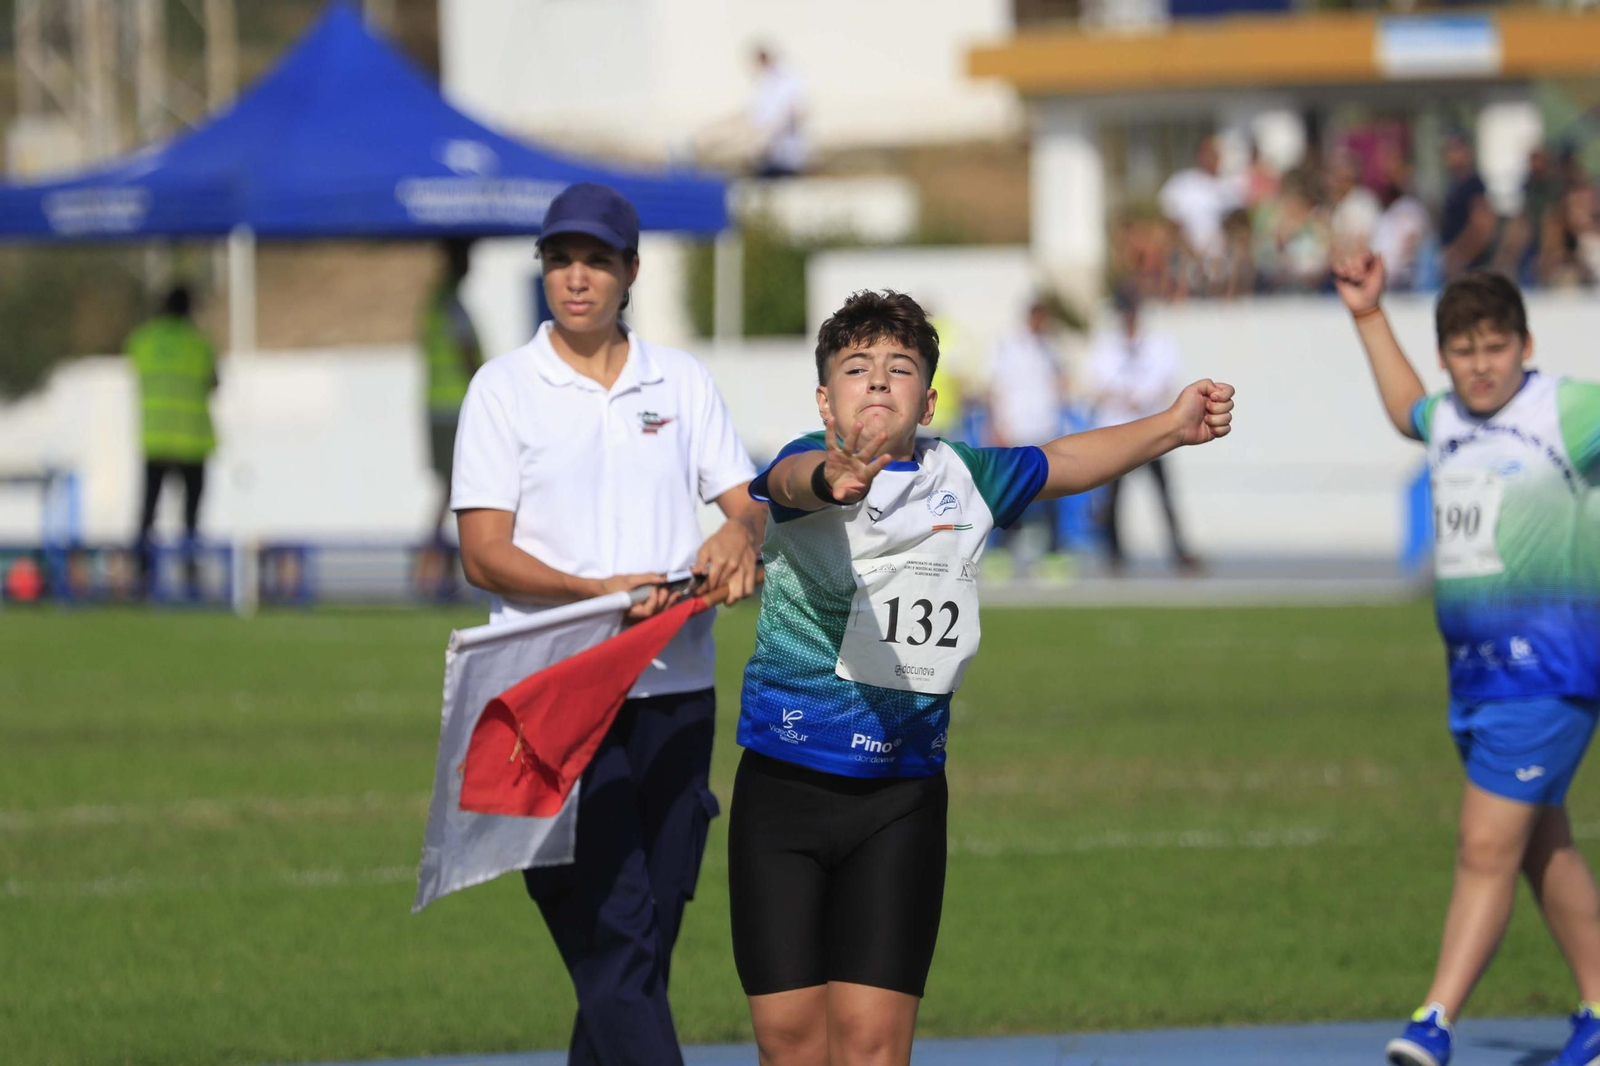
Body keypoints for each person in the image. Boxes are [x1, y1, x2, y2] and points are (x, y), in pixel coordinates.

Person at [728, 289, 1234, 1066]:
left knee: (871, 1048)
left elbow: (1063, 462)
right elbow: (788, 482)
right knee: (792, 1046)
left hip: (900, 799)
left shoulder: (962, 474)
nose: (877, 383)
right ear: (825, 399)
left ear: (929, 401)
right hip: (784, 792)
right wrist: (830, 476)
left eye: (899, 370)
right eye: (856, 369)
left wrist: (1170, 426)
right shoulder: (807, 465)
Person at [451, 182, 765, 1066]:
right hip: (550, 696)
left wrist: (738, 536)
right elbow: (483, 552)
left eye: (596, 261)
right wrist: (600, 592)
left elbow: (749, 507)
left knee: (640, 948)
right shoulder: (502, 389)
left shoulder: (683, 381)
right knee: (620, 944)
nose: (576, 278)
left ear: (631, 271)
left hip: (676, 692)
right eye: (560, 259)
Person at [1332, 254, 1600, 1066]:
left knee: (1485, 845)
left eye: (1495, 347)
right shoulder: (1445, 416)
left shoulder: (1569, 410)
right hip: (1477, 679)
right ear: (1446, 354)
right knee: (1539, 848)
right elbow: (1406, 410)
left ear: (1525, 344)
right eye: (1464, 350)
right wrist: (1370, 316)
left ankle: (1433, 1019)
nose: (1480, 366)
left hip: (1549, 673)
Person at [1083, 284, 1199, 574]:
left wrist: (1141, 398)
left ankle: (1178, 551)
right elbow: (1097, 384)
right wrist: (1125, 397)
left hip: (1150, 428)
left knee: (1163, 495)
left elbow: (1167, 380)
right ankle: (1115, 555)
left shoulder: (1158, 343)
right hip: (1115, 430)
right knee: (1113, 498)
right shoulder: (1105, 344)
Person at [127, 284, 217, 601]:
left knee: (148, 512)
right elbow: (214, 381)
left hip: (156, 439)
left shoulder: (143, 339)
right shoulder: (199, 343)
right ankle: (190, 575)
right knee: (190, 516)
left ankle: (141, 576)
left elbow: (133, 365)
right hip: (193, 439)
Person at [985, 297, 1069, 576]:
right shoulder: (1008, 346)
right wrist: (996, 425)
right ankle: (1000, 554)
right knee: (1009, 493)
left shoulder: (1049, 349)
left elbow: (1058, 384)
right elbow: (994, 386)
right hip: (1015, 430)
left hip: (1043, 431)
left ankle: (1053, 555)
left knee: (1051, 496)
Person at [417, 238, 483, 598]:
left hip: (442, 406)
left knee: (451, 488)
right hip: (456, 407)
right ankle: (433, 565)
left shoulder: (437, 302)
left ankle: (435, 565)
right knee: (458, 488)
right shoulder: (451, 305)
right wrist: (494, 391)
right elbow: (467, 355)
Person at [1159, 135, 1241, 286]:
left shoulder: (1230, 187)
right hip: (1188, 260)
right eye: (1210, 154)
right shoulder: (1182, 183)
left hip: (1222, 262)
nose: (1214, 159)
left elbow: (1237, 227)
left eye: (1217, 155)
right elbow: (1172, 225)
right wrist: (1192, 253)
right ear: (1201, 156)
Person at [1439, 131, 1498, 281]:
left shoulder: (1474, 185)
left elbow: (1483, 226)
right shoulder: (1452, 185)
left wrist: (1459, 256)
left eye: (1456, 150)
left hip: (1472, 266)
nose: (1452, 156)